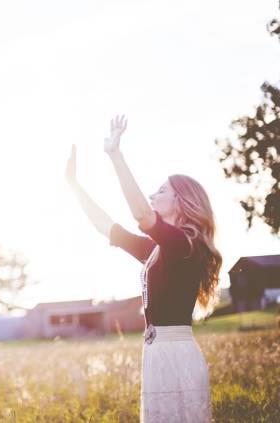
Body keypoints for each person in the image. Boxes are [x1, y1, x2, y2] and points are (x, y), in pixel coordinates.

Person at [65, 116, 221, 422]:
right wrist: (74, 185)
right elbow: (106, 227)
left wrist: (115, 155)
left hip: (176, 355)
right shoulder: (159, 250)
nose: (152, 196)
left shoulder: (185, 246)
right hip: (157, 353)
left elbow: (141, 214)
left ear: (182, 201)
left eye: (161, 192)